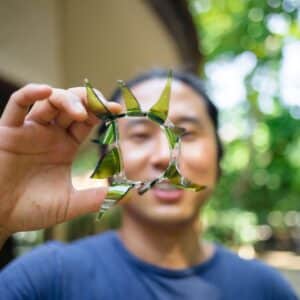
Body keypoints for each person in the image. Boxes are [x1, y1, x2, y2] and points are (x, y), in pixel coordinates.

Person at [0, 69, 298, 299]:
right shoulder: (47, 279)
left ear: (219, 158)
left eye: (186, 134)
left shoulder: (266, 290)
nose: (164, 157)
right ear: (108, 163)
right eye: (140, 135)